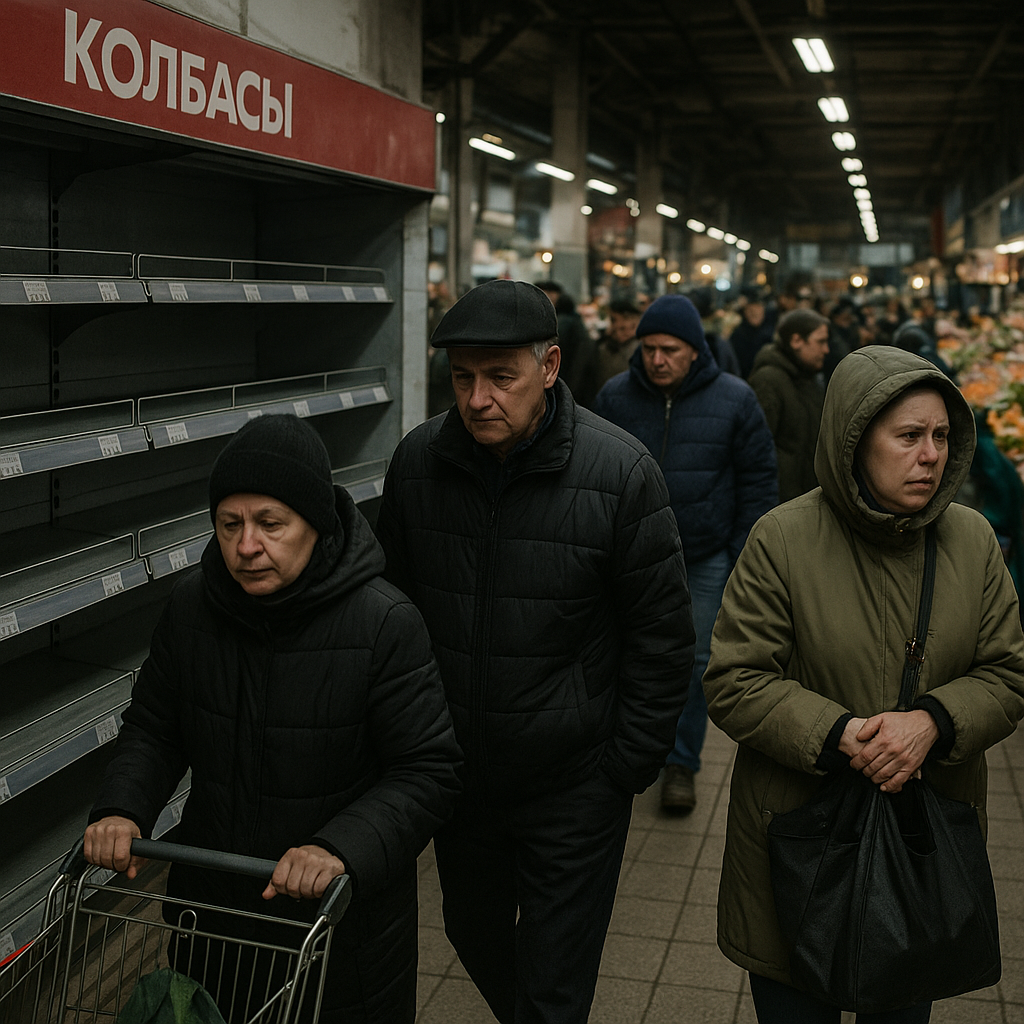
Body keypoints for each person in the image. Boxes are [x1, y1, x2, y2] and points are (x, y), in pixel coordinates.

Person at [376, 278, 693, 1024]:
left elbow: (663, 637)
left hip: (575, 788)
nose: (478, 398)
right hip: (461, 784)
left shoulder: (619, 475)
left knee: (555, 983)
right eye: (463, 378)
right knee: (472, 931)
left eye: (500, 377)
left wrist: (623, 768)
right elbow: (389, 615)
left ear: (549, 367)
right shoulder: (419, 466)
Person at [85, 415, 462, 1024]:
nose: (246, 546)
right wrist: (122, 806)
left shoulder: (384, 623)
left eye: (270, 523)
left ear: (315, 523)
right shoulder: (191, 610)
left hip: (338, 935)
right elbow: (155, 729)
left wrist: (337, 847)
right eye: (229, 524)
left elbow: (428, 772)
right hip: (214, 923)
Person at [703, 346, 1024, 1023]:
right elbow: (735, 678)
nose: (930, 455)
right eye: (908, 436)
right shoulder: (782, 539)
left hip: (918, 857)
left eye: (940, 436)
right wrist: (841, 732)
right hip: (799, 850)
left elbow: (1007, 672)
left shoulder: (971, 541)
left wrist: (933, 721)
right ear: (854, 439)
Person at [593, 294, 777, 813]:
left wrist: (743, 553)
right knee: (621, 652)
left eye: (670, 349)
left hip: (704, 556)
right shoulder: (614, 397)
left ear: (694, 350)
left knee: (694, 662)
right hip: (627, 556)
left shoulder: (736, 399)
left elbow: (758, 482)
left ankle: (681, 764)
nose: (657, 359)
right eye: (649, 348)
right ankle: (623, 751)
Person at [748, 308, 829, 503]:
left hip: (806, 498)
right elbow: (755, 450)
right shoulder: (768, 381)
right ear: (796, 341)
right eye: (820, 342)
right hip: (780, 501)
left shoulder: (809, 378)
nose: (826, 350)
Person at [729, 288, 774, 379]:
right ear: (745, 311)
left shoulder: (771, 333)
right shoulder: (737, 335)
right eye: (750, 309)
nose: (755, 312)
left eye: (758, 307)